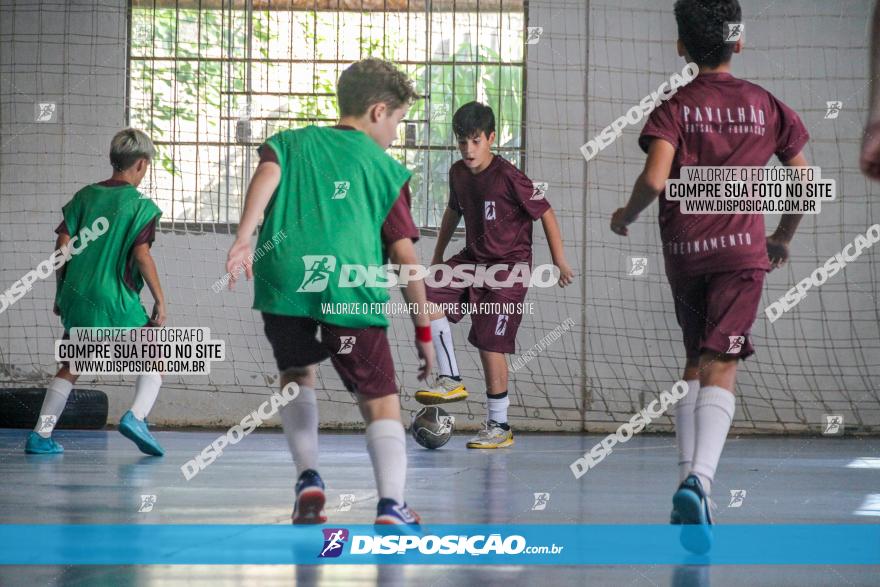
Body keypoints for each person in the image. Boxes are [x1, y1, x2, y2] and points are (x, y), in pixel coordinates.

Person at [610, 0, 810, 549]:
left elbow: (654, 179)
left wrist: (624, 217)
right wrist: (782, 237)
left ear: (681, 46)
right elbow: (802, 180)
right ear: (738, 41)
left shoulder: (675, 105)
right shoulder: (766, 105)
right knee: (724, 363)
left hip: (685, 252)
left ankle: (686, 487)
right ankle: (700, 482)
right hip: (742, 255)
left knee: (696, 359)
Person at [225, 58, 434, 526]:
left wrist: (244, 235)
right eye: (398, 121)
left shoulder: (291, 142)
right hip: (347, 287)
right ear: (379, 112)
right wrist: (424, 330)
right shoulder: (384, 170)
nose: (396, 134)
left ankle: (308, 480)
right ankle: (391, 505)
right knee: (379, 397)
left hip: (285, 281)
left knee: (298, 373)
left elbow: (267, 174)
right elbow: (405, 259)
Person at [415, 101, 574, 449]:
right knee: (424, 295)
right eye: (462, 142)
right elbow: (452, 212)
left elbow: (545, 213)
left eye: (475, 141)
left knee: (490, 344)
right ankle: (450, 377)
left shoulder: (510, 176)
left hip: (509, 270)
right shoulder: (458, 173)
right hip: (473, 260)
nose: (468, 150)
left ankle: (499, 426)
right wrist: (440, 255)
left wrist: (559, 260)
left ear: (490, 138)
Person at [27, 128, 166, 456]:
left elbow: (61, 248)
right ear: (142, 165)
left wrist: (62, 294)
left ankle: (39, 436)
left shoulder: (84, 196)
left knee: (72, 364)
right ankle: (135, 417)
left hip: (77, 296)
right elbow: (141, 255)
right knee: (155, 358)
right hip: (115, 299)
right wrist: (160, 300)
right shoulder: (140, 205)